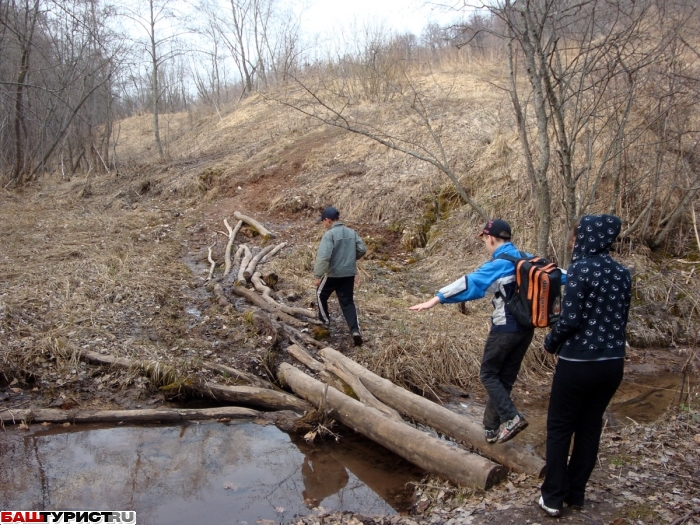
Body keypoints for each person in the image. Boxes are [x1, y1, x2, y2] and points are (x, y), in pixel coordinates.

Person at [409, 219, 537, 444]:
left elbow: (470, 283)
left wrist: (435, 300)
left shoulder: (500, 263)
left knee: (488, 374)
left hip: (505, 329)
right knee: (503, 378)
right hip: (527, 330)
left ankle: (511, 417)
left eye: (485, 240)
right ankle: (490, 429)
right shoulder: (527, 258)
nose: (485, 245)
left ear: (491, 238)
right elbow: (561, 275)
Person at [538, 214, 631, 518]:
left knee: (560, 428)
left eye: (576, 236)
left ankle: (552, 497)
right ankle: (575, 494)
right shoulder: (622, 273)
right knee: (590, 428)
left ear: (587, 237)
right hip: (613, 363)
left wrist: (550, 342)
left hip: (578, 362)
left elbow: (570, 319)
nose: (572, 242)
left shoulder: (580, 269)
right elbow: (619, 319)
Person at [314, 206, 367, 346]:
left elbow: (323, 257)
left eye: (323, 221)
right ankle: (355, 331)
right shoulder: (351, 232)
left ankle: (324, 322)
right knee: (347, 301)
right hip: (349, 274)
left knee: (320, 294)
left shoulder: (329, 235)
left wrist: (318, 275)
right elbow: (362, 249)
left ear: (327, 220)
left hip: (333, 274)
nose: (323, 224)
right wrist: (351, 260)